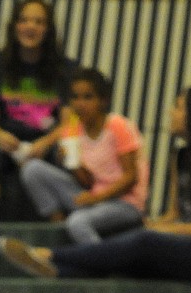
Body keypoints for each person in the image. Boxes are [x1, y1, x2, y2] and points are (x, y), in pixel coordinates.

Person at [0, 86, 191, 285]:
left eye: (179, 107)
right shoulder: (180, 157)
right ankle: (60, 271)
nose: (172, 113)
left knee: (145, 242)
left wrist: (166, 232)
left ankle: (49, 255)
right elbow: (175, 214)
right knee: (131, 255)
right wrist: (157, 224)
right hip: (186, 246)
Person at [0, 0, 77, 221]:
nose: (31, 27)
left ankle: (63, 222)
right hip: (8, 142)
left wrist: (45, 143)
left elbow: (70, 123)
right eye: (24, 20)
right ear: (15, 27)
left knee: (69, 154)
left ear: (48, 30)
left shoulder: (64, 69)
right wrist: (1, 137)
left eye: (39, 22)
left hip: (48, 142)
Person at [19, 66, 148, 243]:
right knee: (32, 169)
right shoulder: (72, 130)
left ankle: (100, 263)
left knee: (78, 222)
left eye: (88, 97)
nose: (80, 104)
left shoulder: (118, 126)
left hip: (124, 203)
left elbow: (131, 177)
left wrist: (96, 198)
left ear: (103, 101)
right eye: (75, 97)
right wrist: (72, 164)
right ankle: (60, 227)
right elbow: (87, 182)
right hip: (92, 196)